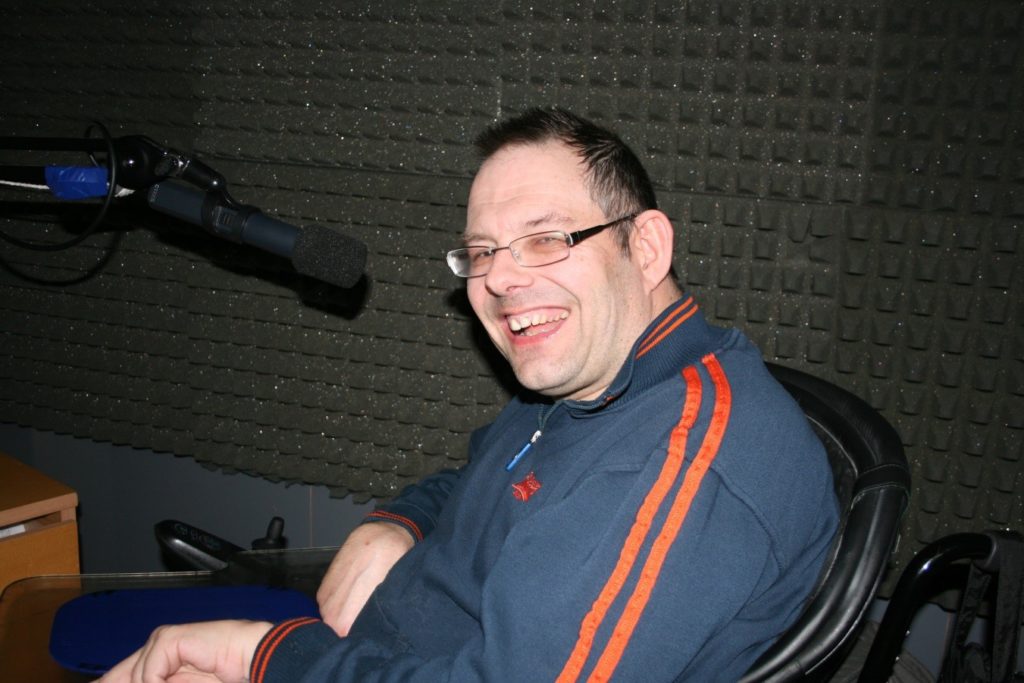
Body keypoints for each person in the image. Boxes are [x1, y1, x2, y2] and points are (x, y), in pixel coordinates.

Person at [100, 108, 838, 682]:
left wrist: (264, 657)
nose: (501, 279)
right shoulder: (592, 377)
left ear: (645, 247)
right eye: (481, 252)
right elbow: (486, 479)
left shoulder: (684, 461)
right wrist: (397, 525)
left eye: (546, 238)